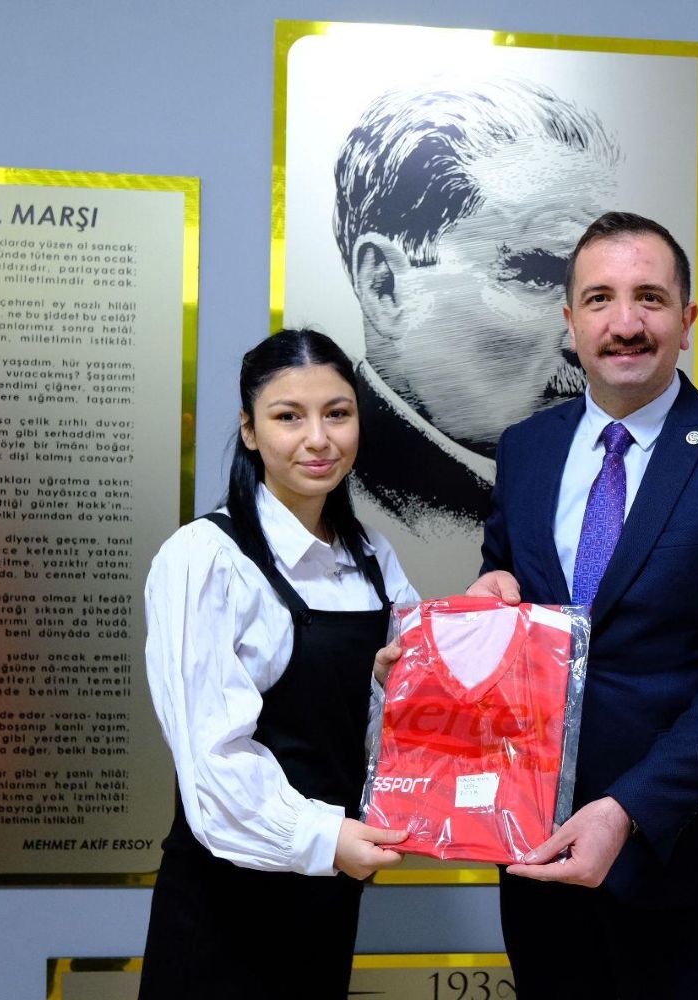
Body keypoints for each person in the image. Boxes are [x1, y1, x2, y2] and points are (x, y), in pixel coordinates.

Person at [470, 212, 698, 998]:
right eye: (600, 299)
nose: (625, 323)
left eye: (649, 298)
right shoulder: (526, 449)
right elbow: (507, 585)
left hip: (678, 858)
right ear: (570, 321)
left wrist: (628, 809)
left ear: (687, 320)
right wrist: (491, 593)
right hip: (538, 849)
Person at [139, 330, 415, 998]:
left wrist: (399, 691)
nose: (318, 439)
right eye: (289, 416)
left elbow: (396, 733)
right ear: (250, 430)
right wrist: (325, 838)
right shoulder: (205, 558)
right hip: (225, 907)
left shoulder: (374, 561)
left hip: (328, 896)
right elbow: (212, 765)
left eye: (337, 414)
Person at [332, 78, 620, 537]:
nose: (588, 335)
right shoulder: (314, 512)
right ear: (384, 286)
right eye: (536, 275)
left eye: (598, 294)